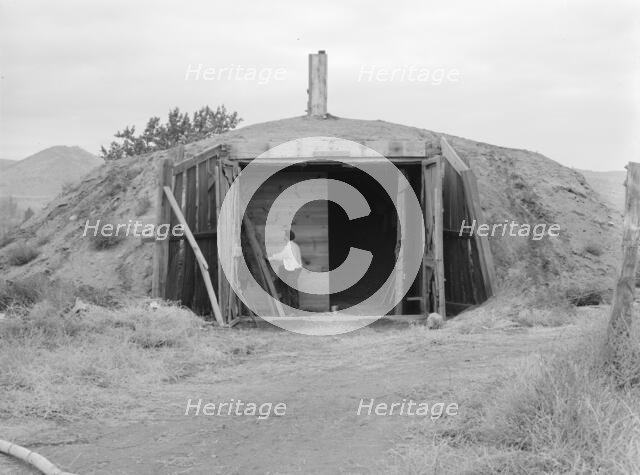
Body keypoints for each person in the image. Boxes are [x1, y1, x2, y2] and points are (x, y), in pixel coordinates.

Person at [268, 230, 302, 308]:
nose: (283, 238)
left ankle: (295, 309)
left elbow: (281, 256)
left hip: (293, 270)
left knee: (291, 290)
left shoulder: (289, 246)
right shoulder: (295, 245)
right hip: (296, 270)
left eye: (284, 236)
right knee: (293, 289)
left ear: (287, 237)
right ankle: (296, 308)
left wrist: (270, 257)